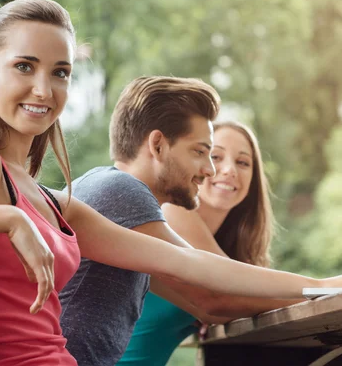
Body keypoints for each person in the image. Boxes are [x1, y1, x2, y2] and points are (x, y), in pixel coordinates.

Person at [0, 0, 342, 366]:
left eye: (59, 72)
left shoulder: (57, 206)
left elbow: (191, 263)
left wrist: (326, 286)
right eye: (24, 66)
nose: (44, 88)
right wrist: (4, 218)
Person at [58, 76, 342, 366]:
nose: (210, 170)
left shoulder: (108, 195)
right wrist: (321, 288)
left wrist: (323, 289)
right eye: (201, 152)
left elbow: (204, 299)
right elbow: (205, 286)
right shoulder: (121, 190)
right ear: (157, 145)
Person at [119, 121, 298, 366]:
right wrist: (320, 293)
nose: (228, 170)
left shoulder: (228, 253)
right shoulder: (171, 212)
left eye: (242, 162)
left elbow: (225, 301)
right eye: (215, 156)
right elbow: (222, 297)